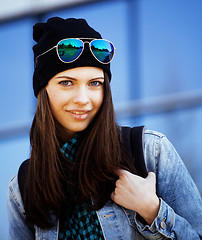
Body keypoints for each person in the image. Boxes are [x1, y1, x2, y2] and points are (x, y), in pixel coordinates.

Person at [7, 17, 202, 240]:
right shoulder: (23, 187)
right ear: (44, 90)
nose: (83, 99)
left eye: (94, 83)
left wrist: (151, 210)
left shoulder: (150, 152)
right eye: (66, 82)